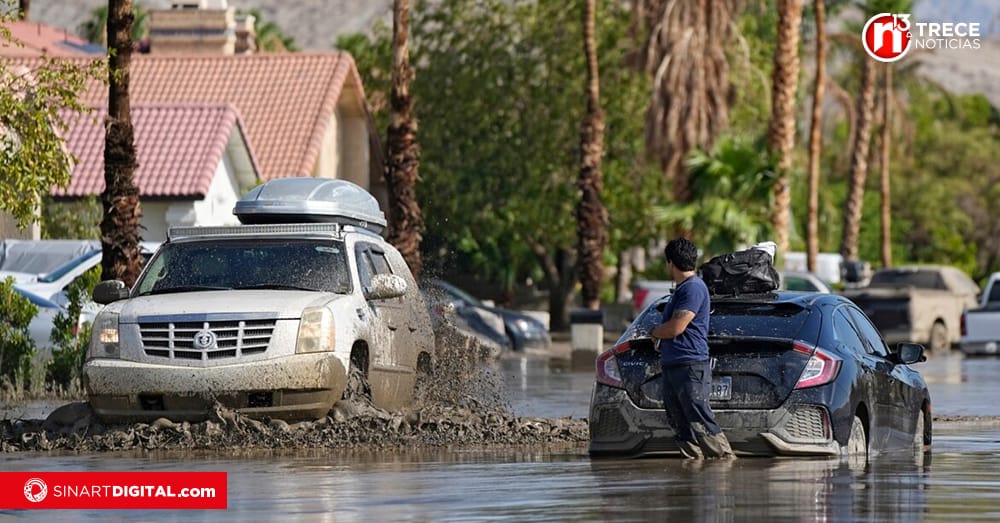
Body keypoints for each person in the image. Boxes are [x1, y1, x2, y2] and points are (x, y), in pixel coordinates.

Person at [651, 238, 735, 459]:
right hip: (673, 363)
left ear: (670, 263)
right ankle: (693, 468)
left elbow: (676, 327)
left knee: (699, 417)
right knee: (679, 422)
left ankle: (725, 461)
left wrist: (655, 332)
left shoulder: (694, 288)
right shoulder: (681, 290)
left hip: (690, 364)